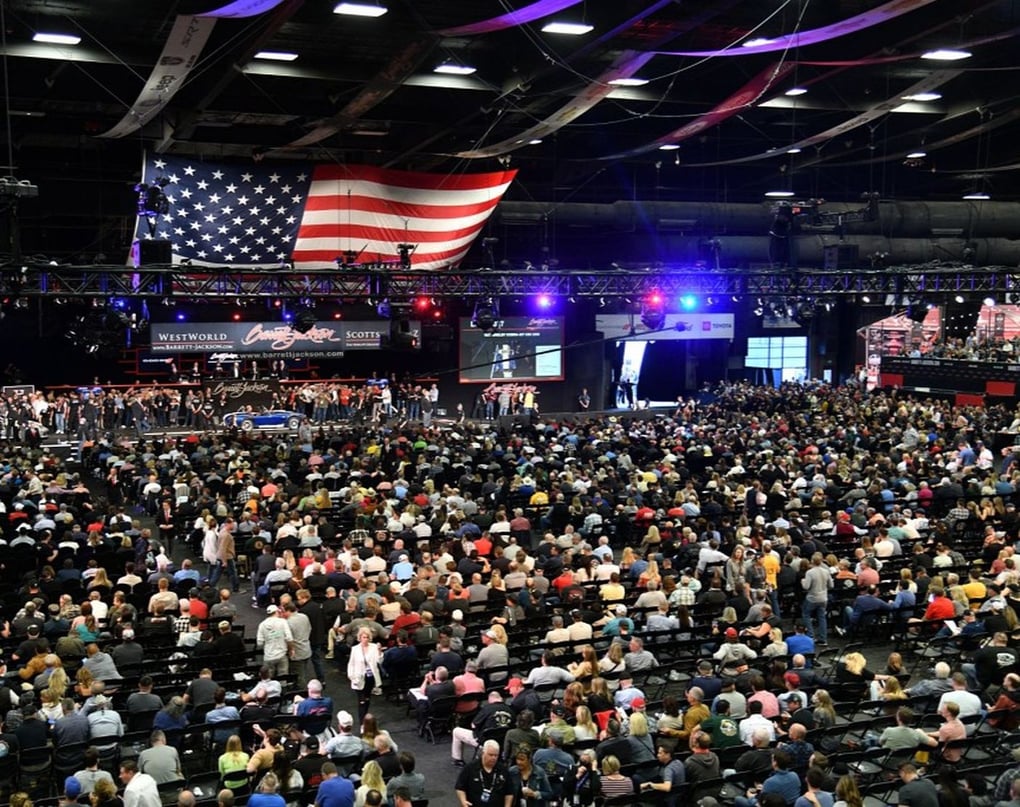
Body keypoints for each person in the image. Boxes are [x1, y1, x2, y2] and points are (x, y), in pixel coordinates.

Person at [455, 739, 514, 807]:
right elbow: (460, 787)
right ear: (483, 753)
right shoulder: (470, 768)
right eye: (491, 755)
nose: (493, 758)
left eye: (496, 755)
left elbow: (509, 792)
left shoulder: (503, 770)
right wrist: (463, 801)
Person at [348, 628, 383, 722]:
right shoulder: (355, 649)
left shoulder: (374, 647)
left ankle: (364, 720)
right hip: (358, 678)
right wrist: (351, 676)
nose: (365, 639)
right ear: (360, 637)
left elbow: (379, 661)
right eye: (364, 637)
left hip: (370, 678)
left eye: (367, 637)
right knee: (362, 701)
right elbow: (351, 664)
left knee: (367, 700)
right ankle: (362, 724)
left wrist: (379, 651)